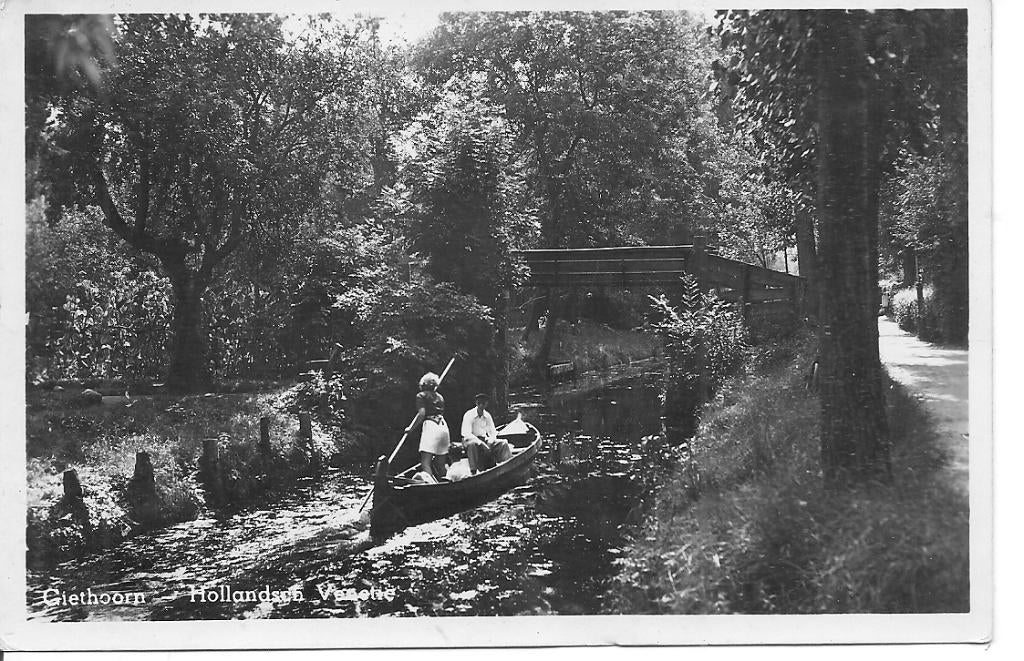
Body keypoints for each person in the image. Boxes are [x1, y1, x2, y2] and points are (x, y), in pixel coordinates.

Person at [405, 372, 449, 483]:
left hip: (431, 427)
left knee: (425, 463)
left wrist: (411, 428)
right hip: (443, 427)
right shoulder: (440, 397)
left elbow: (422, 414)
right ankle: (447, 484)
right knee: (441, 464)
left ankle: (429, 486)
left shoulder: (421, 395)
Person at [460, 393, 512, 474]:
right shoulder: (469, 415)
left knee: (503, 443)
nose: (481, 405)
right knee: (472, 445)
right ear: (476, 403)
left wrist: (490, 441)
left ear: (486, 404)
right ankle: (473, 471)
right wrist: (481, 443)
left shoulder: (487, 415)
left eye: (484, 403)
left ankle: (506, 466)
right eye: (479, 402)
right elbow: (466, 434)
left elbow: (493, 432)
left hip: (484, 439)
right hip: (469, 440)